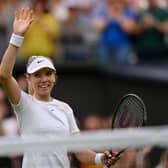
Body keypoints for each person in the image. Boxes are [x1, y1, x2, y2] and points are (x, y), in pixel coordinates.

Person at [0, 8, 119, 168]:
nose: (44, 79)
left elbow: (79, 151)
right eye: (38, 75)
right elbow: (4, 75)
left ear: (54, 78)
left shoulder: (65, 109)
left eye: (48, 74)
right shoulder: (24, 104)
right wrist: (17, 37)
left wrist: (100, 158)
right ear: (29, 79)